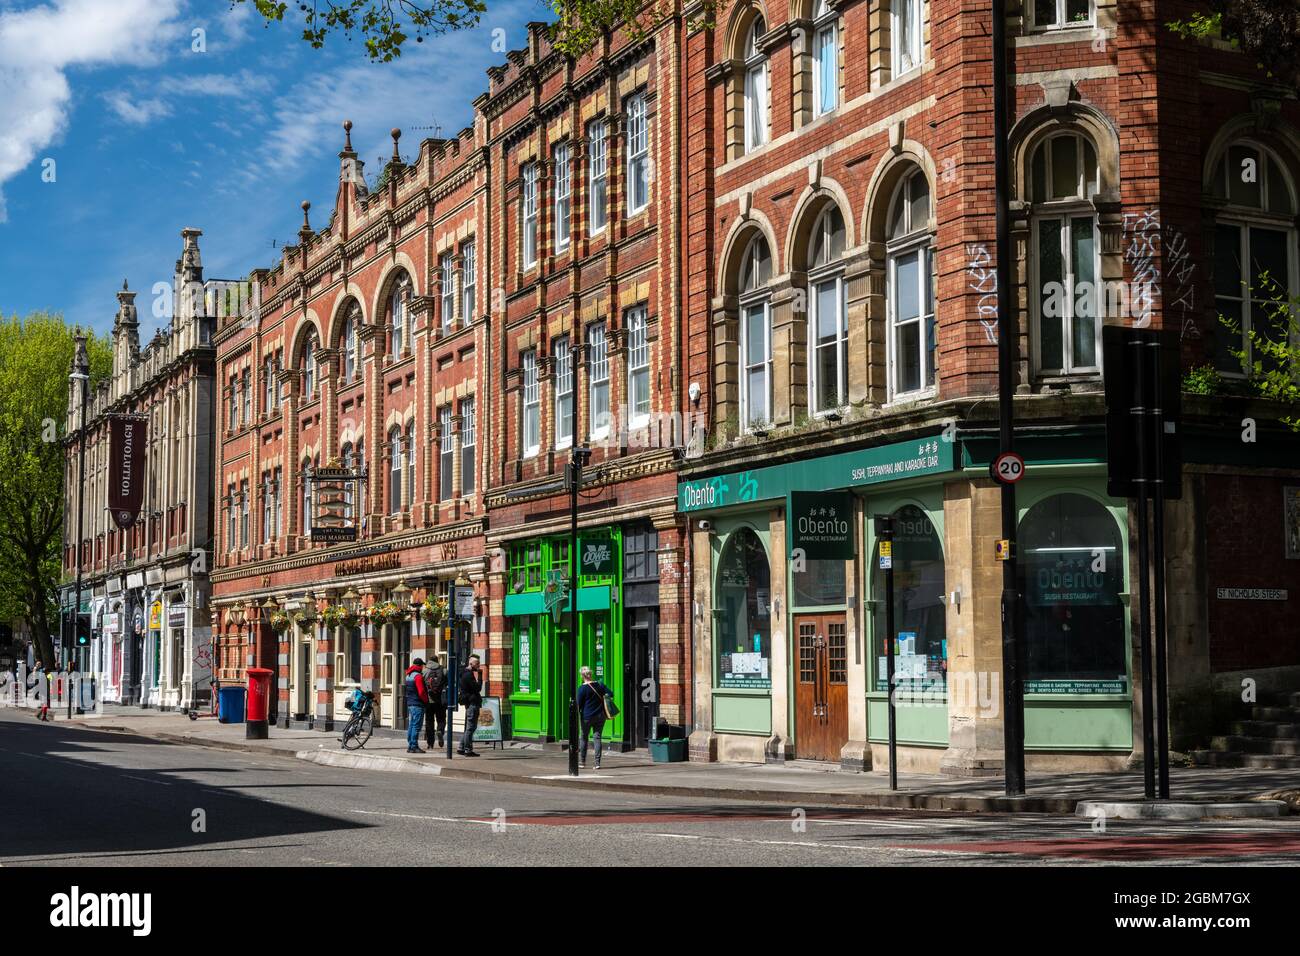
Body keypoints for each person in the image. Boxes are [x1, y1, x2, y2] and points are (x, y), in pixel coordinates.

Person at [576, 666, 613, 770]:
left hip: (586, 717)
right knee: (597, 738)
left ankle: (582, 762)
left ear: (582, 676)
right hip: (600, 716)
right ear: (590, 674)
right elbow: (611, 693)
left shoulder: (582, 688)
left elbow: (578, 704)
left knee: (583, 738)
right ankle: (597, 763)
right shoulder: (599, 685)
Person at [457, 654, 483, 757]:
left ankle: (461, 747)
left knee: (469, 727)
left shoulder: (465, 673)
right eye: (477, 664)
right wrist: (480, 677)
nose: (478, 666)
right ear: (471, 663)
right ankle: (468, 749)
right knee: (471, 727)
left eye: (479, 664)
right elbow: (477, 688)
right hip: (472, 703)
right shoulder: (468, 675)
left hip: (469, 702)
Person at [403, 658, 428, 754]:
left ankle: (410, 745)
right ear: (419, 666)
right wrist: (426, 701)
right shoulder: (418, 676)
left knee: (411, 725)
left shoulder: (408, 675)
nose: (422, 667)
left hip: (410, 703)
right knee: (417, 726)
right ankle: (414, 746)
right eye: (422, 666)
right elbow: (421, 691)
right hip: (418, 704)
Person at [423, 657, 448, 749]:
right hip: (440, 700)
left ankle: (430, 743)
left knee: (429, 722)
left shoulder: (425, 671)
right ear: (437, 661)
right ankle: (440, 731)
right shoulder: (444, 670)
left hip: (428, 701)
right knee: (441, 719)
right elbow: (449, 683)